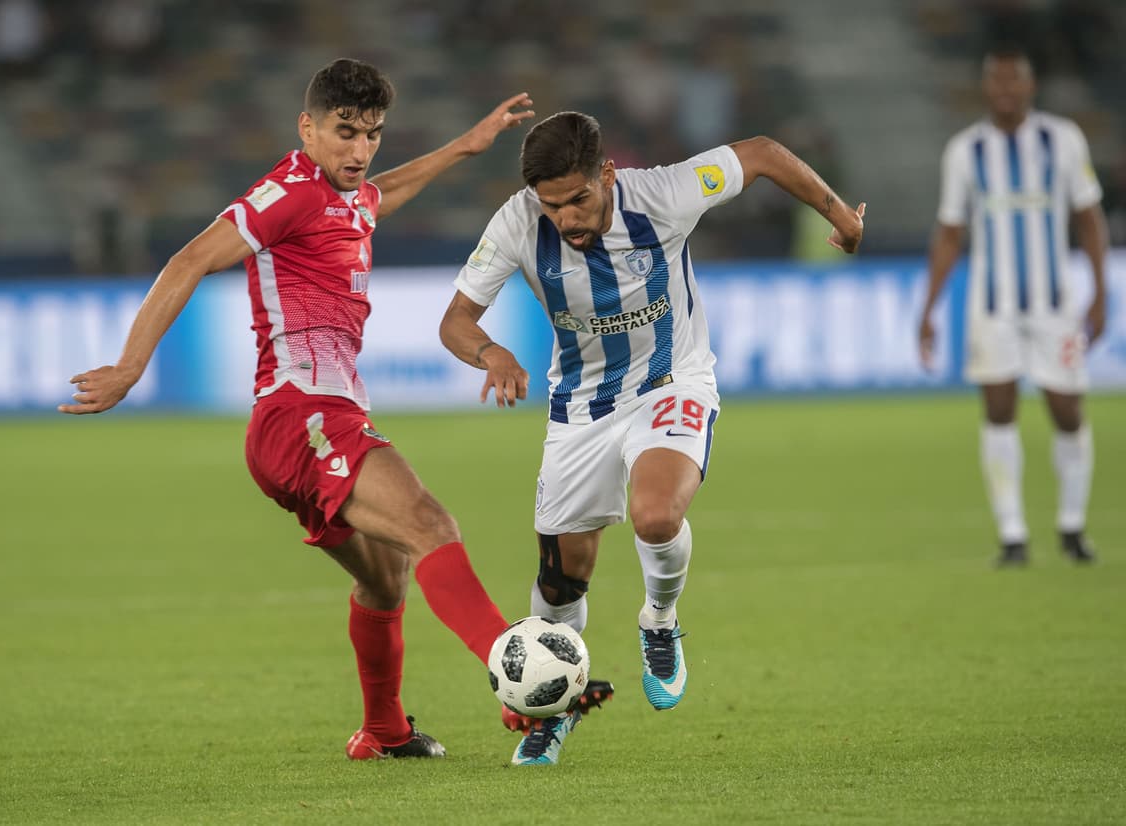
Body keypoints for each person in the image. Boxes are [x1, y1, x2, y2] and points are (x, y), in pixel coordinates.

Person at [58, 59, 607, 760]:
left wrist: (465, 147)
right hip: (302, 414)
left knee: (386, 579)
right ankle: (517, 679)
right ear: (307, 128)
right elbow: (190, 259)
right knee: (429, 523)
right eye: (345, 133)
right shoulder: (287, 193)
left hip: (313, 418)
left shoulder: (346, 194)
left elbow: (382, 192)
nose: (359, 151)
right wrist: (131, 368)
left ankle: (383, 731)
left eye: (372, 134)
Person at [439, 111, 865, 765]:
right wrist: (490, 353)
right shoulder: (517, 223)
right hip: (580, 408)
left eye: (579, 198)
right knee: (559, 584)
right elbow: (457, 321)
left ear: (607, 174)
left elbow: (762, 153)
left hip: (673, 384)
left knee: (656, 515)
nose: (568, 218)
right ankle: (556, 712)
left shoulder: (663, 193)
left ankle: (659, 621)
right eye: (553, 206)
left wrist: (840, 215)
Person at [917, 46, 1110, 568]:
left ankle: (1071, 525)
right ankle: (1013, 534)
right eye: (996, 82)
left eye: (1014, 81)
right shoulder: (965, 151)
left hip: (1055, 304)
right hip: (993, 305)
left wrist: (1101, 287)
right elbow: (951, 233)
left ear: (1030, 86)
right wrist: (929, 307)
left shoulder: (1063, 139)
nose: (1005, 90)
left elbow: (1088, 218)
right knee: (999, 408)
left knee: (1066, 409)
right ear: (986, 89)